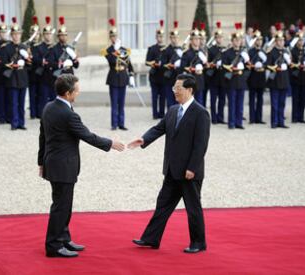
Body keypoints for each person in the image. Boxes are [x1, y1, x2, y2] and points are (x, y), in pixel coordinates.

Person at [38, 74, 125, 258]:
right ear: (68, 93)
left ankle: (63, 237)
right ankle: (53, 246)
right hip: (63, 166)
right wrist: (111, 143)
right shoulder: (69, 114)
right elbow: (87, 136)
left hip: (53, 163)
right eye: (77, 90)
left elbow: (42, 138)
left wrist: (41, 162)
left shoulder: (48, 107)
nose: (79, 92)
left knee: (64, 204)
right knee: (61, 206)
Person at [129, 73, 210, 254]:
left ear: (189, 90)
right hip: (172, 170)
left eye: (178, 89)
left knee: (193, 208)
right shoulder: (173, 110)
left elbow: (200, 144)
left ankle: (198, 242)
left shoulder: (201, 113)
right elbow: (160, 128)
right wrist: (143, 140)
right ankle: (151, 238)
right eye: (174, 88)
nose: (174, 91)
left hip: (189, 171)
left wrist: (192, 167)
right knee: (163, 204)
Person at [101, 18, 135, 130]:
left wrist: (131, 74)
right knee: (114, 103)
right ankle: (114, 124)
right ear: (110, 38)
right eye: (112, 36)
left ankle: (121, 123)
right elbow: (111, 61)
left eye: (115, 36)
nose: (114, 38)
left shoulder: (124, 49)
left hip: (123, 77)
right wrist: (115, 51)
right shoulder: (108, 50)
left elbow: (128, 62)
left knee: (122, 103)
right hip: (113, 78)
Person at [0, 17, 30, 130]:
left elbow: (30, 64)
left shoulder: (25, 47)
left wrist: (27, 60)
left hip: (22, 77)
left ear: (20, 35)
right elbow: (3, 63)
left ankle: (21, 123)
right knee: (13, 103)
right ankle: (14, 123)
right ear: (11, 35)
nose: (16, 36)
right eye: (14, 34)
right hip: (12, 77)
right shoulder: (6, 47)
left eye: (18, 34)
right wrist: (12, 64)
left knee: (21, 103)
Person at [221, 22, 248, 129]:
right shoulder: (227, 53)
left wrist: (245, 65)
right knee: (232, 103)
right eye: (235, 40)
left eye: (239, 40)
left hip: (241, 79)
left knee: (240, 103)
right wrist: (233, 68)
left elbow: (248, 67)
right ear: (232, 41)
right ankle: (231, 123)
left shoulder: (243, 53)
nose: (237, 42)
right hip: (232, 80)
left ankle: (239, 122)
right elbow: (224, 66)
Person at [266, 23, 291, 129]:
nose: (281, 42)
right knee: (275, 104)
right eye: (279, 40)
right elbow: (267, 65)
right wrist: (275, 67)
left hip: (284, 79)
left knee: (282, 103)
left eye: (282, 40)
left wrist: (288, 59)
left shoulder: (286, 51)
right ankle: (274, 122)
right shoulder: (272, 52)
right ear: (276, 41)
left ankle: (281, 121)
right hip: (275, 80)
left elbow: (289, 64)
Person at [180, 22, 207, 106]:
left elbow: (206, 66)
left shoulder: (202, 53)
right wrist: (193, 69)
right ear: (191, 41)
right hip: (190, 82)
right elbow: (182, 67)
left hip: (200, 80)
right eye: (195, 39)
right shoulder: (187, 53)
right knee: (189, 104)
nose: (197, 41)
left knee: (200, 104)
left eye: (199, 39)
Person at [145, 20, 166, 119]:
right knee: (154, 97)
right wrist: (153, 63)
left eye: (161, 36)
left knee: (163, 96)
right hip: (154, 76)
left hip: (163, 76)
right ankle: (155, 114)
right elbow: (147, 61)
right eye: (158, 36)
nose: (160, 38)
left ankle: (162, 113)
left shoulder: (166, 49)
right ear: (156, 37)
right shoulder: (152, 49)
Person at [207, 21, 226, 124]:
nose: (219, 39)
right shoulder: (211, 50)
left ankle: (221, 117)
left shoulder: (225, 49)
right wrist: (214, 64)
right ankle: (214, 118)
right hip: (214, 76)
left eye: (221, 37)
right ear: (215, 38)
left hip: (223, 77)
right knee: (213, 99)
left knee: (222, 99)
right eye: (218, 37)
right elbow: (208, 64)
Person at [247, 29, 267, 124]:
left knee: (260, 98)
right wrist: (254, 65)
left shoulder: (264, 51)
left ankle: (259, 118)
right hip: (253, 77)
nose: (259, 42)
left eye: (260, 40)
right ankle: (252, 118)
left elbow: (267, 63)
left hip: (261, 76)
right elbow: (248, 64)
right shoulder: (250, 52)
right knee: (252, 99)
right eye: (257, 40)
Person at [36, 16, 54, 118]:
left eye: (50, 34)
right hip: (43, 76)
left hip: (53, 76)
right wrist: (41, 61)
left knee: (53, 98)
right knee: (43, 98)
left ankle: (53, 117)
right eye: (46, 34)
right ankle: (43, 116)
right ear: (43, 35)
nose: (48, 36)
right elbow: (36, 59)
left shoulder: (55, 47)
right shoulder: (39, 47)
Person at [290, 28, 305, 123]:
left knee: (302, 99)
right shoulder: (293, 51)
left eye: (302, 40)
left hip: (304, 77)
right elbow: (291, 64)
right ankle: (295, 117)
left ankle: (301, 117)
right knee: (296, 98)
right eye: (299, 40)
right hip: (296, 77)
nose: (301, 42)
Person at [162, 21, 182, 109]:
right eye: (173, 38)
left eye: (177, 38)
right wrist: (170, 65)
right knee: (170, 101)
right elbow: (162, 64)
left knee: (179, 100)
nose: (175, 39)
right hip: (169, 78)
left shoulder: (181, 50)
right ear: (170, 38)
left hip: (178, 79)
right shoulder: (166, 50)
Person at [26, 16, 41, 119]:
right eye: (33, 34)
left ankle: (39, 112)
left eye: (37, 34)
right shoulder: (28, 46)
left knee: (40, 94)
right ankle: (32, 113)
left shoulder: (42, 46)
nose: (35, 36)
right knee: (32, 94)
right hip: (31, 73)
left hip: (40, 74)